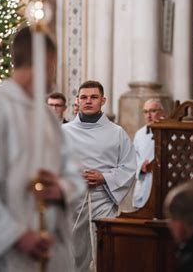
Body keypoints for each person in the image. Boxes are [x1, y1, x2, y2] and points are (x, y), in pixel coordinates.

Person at [0, 26, 85, 271]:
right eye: (54, 64)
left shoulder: (45, 115)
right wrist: (16, 236)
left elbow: (73, 171)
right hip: (10, 254)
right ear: (45, 60)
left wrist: (60, 188)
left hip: (52, 250)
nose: (54, 73)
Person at [62, 80, 136, 272]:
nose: (88, 101)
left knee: (102, 251)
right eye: (84, 97)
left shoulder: (117, 132)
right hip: (71, 203)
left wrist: (104, 177)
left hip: (103, 201)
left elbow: (129, 167)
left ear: (103, 100)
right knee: (72, 254)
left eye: (94, 97)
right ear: (76, 100)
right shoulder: (63, 132)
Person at [132, 98, 166, 208]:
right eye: (145, 112)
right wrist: (141, 165)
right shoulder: (139, 134)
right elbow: (133, 157)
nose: (148, 115)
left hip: (164, 182)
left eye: (153, 111)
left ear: (162, 112)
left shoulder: (171, 131)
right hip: (145, 181)